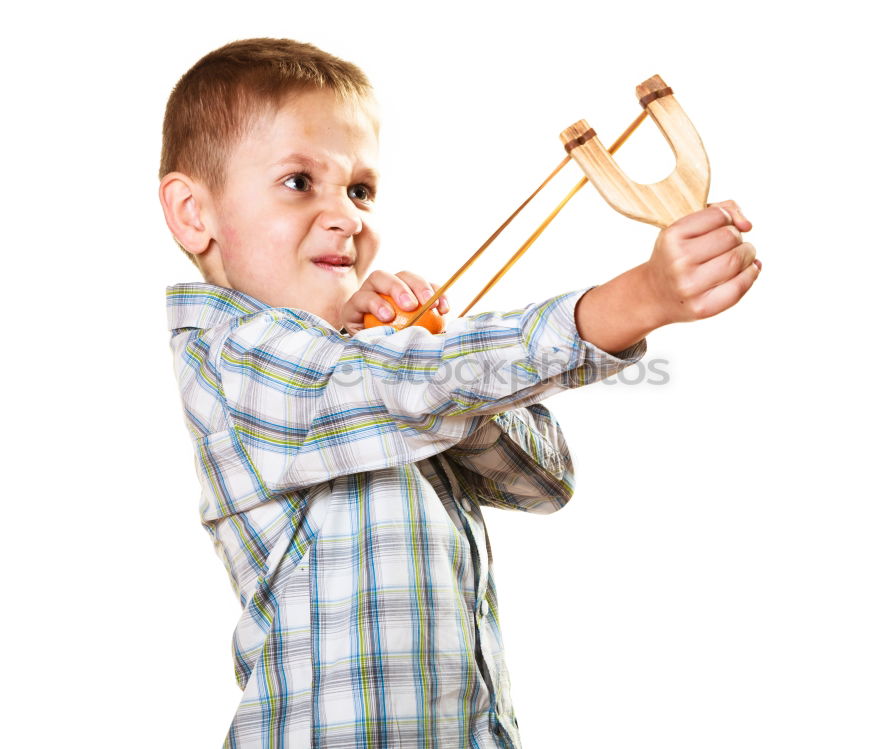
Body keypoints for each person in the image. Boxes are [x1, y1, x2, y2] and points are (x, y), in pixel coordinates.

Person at [159, 37, 761, 749]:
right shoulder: (238, 356)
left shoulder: (368, 367)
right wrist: (636, 299)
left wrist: (421, 345)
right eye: (299, 182)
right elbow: (409, 385)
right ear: (194, 214)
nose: (348, 217)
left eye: (360, 189)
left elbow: (545, 477)